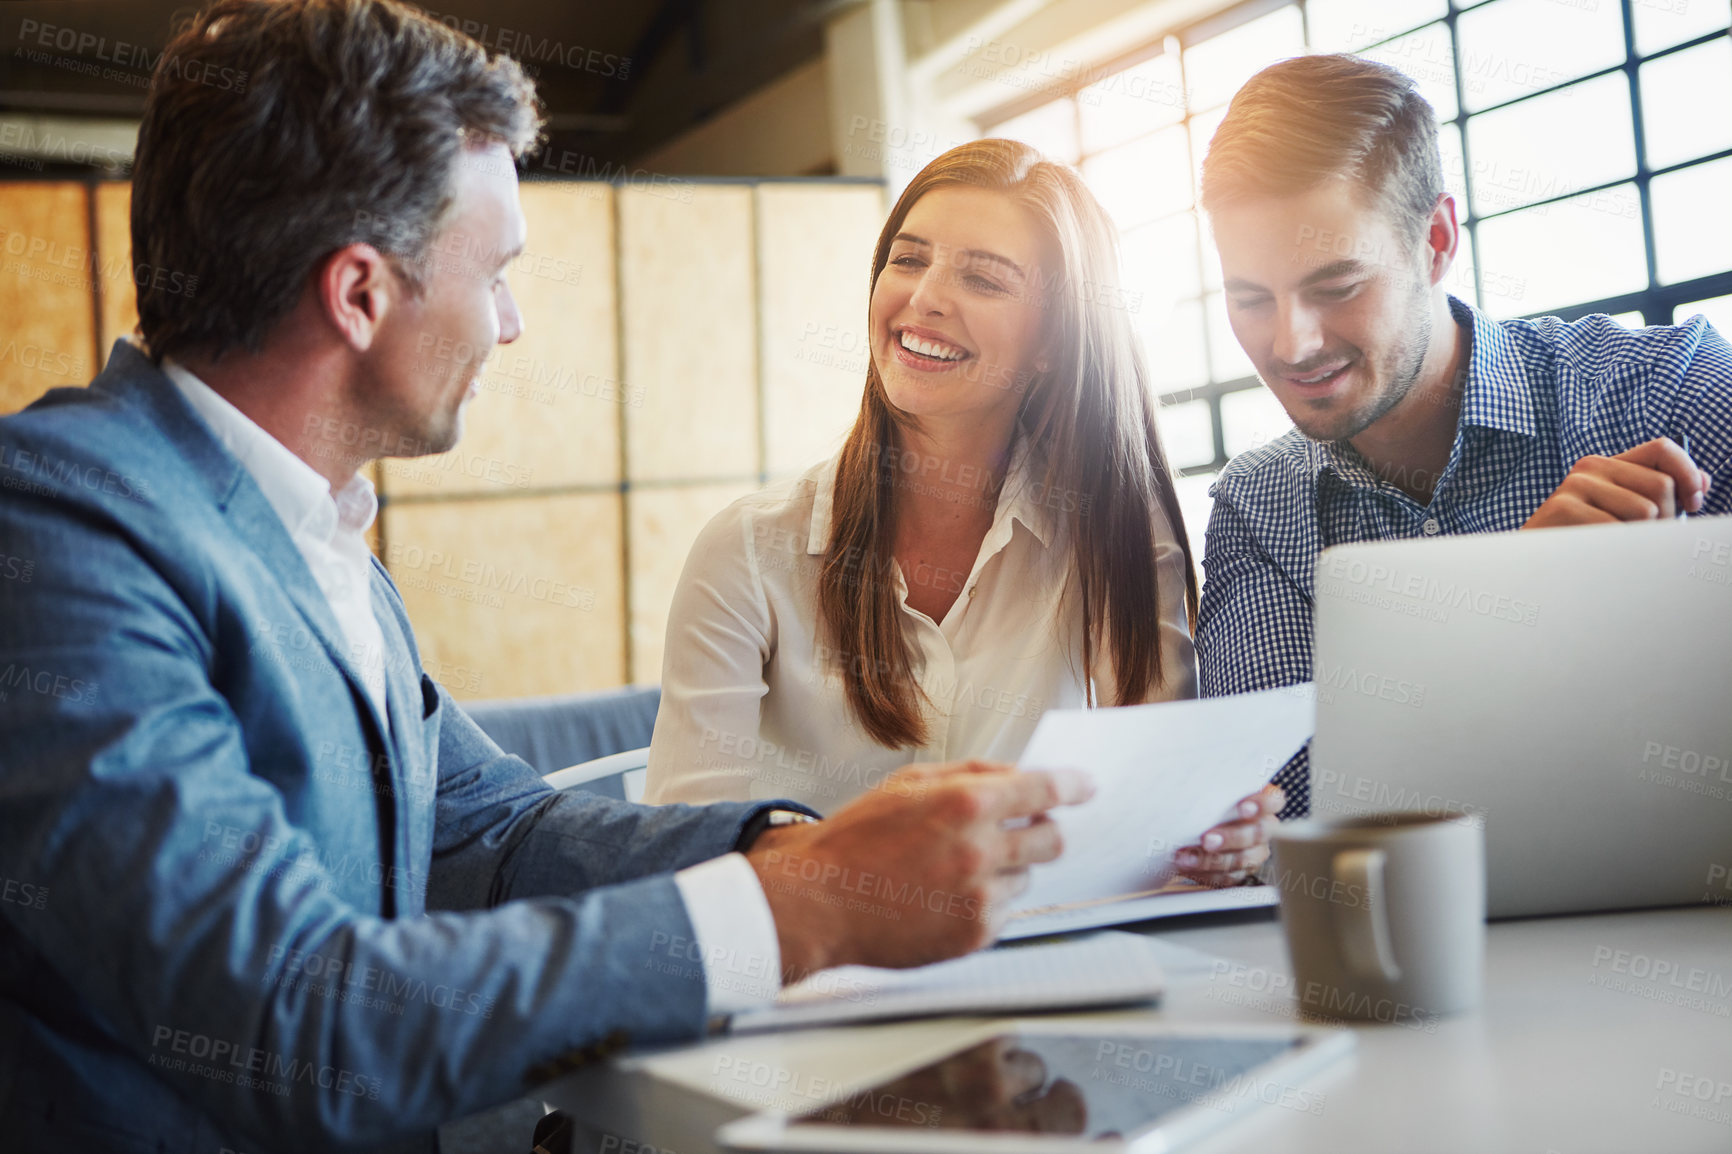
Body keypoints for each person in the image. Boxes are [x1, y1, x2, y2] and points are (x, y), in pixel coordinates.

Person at [0, 4, 1096, 1151]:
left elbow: (489, 827)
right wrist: (794, 909)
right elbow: (295, 1020)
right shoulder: (60, 532)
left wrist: (790, 850)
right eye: (498, 273)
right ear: (361, 293)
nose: (512, 324)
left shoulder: (315, 529)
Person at [644, 139, 1284, 886]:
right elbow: (683, 863)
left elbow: (1152, 826)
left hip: (1054, 968)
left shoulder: (1117, 537)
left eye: (983, 278)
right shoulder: (747, 552)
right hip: (818, 980)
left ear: (1052, 343)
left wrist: (1205, 845)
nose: (924, 299)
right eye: (908, 260)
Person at [1194, 53, 1732, 817]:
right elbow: (1293, 806)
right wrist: (1514, 604)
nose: (1292, 344)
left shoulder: (1671, 391)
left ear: (1437, 240)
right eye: (1251, 299)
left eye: (1337, 286)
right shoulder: (1259, 509)